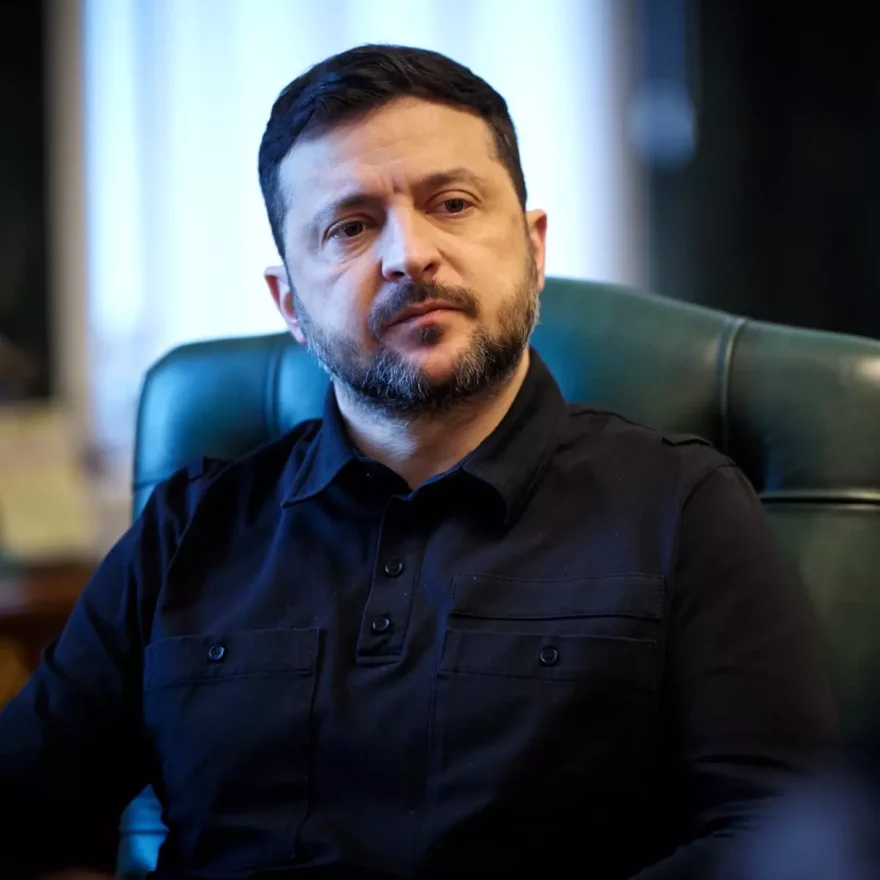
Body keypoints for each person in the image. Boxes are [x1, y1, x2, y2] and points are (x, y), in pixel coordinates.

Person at [0, 44, 836, 879]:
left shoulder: (682, 508)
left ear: (534, 249)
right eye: (351, 227)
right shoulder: (187, 531)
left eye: (453, 203)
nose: (410, 254)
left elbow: (780, 841)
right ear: (290, 304)